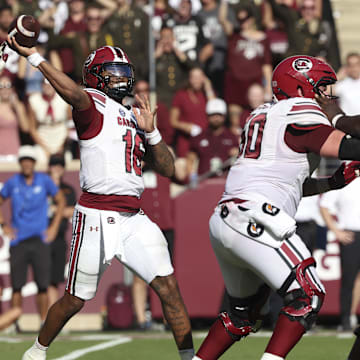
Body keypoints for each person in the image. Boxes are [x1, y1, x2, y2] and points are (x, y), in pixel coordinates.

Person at [7, 38, 194, 360]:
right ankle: (36, 352)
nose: (122, 79)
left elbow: (168, 167)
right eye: (113, 72)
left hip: (134, 217)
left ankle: (190, 358)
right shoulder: (91, 103)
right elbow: (74, 94)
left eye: (125, 72)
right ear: (95, 76)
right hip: (96, 214)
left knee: (169, 289)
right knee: (75, 300)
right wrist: (36, 57)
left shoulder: (134, 115)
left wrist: (152, 133)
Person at [191, 55, 360, 360]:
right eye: (322, 87)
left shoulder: (263, 114)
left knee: (242, 315)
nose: (328, 95)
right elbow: (349, 146)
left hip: (227, 218)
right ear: (302, 87)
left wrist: (332, 182)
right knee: (307, 296)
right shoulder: (300, 110)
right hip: (255, 217)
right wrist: (337, 118)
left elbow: (287, 183)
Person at [0, 145, 65, 327]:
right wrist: (4, 225)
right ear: (20, 163)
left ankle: (43, 322)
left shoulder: (44, 181)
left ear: (34, 163)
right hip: (19, 240)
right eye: (24, 160)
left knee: (42, 285)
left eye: (30, 160)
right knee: (17, 285)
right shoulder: (13, 182)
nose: (27, 164)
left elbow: (60, 200)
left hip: (40, 239)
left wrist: (53, 227)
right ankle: (15, 323)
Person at [47, 154, 76, 307]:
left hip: (59, 237)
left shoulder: (67, 189)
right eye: (54, 165)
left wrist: (55, 210)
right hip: (42, 237)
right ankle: (44, 317)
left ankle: (50, 317)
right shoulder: (43, 186)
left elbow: (73, 210)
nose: (57, 168)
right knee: (43, 280)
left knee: (55, 279)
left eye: (60, 165)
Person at [186, 98, 238, 180]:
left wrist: (236, 155)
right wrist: (192, 176)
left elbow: (240, 160)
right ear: (207, 116)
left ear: (224, 116)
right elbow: (190, 160)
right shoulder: (199, 137)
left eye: (219, 115)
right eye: (213, 115)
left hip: (226, 183)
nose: (216, 118)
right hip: (204, 182)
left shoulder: (232, 137)